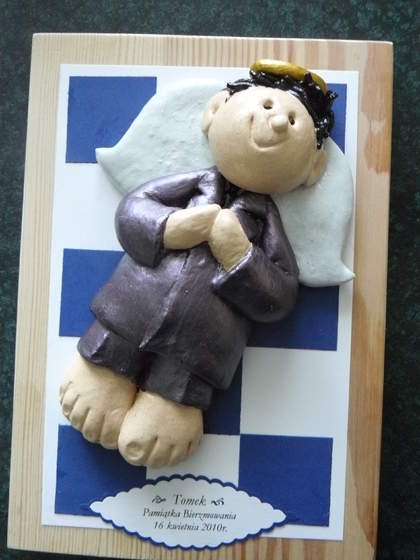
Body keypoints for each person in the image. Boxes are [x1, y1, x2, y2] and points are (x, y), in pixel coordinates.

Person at [59, 60, 337, 468]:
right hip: (128, 312)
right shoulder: (190, 185)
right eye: (265, 106)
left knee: (182, 377)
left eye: (293, 121)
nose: (277, 122)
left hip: (199, 347)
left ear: (313, 168)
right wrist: (172, 227)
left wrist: (239, 255)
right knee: (114, 343)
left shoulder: (265, 226)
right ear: (215, 110)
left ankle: (170, 401)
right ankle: (105, 367)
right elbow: (131, 211)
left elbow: (278, 298)